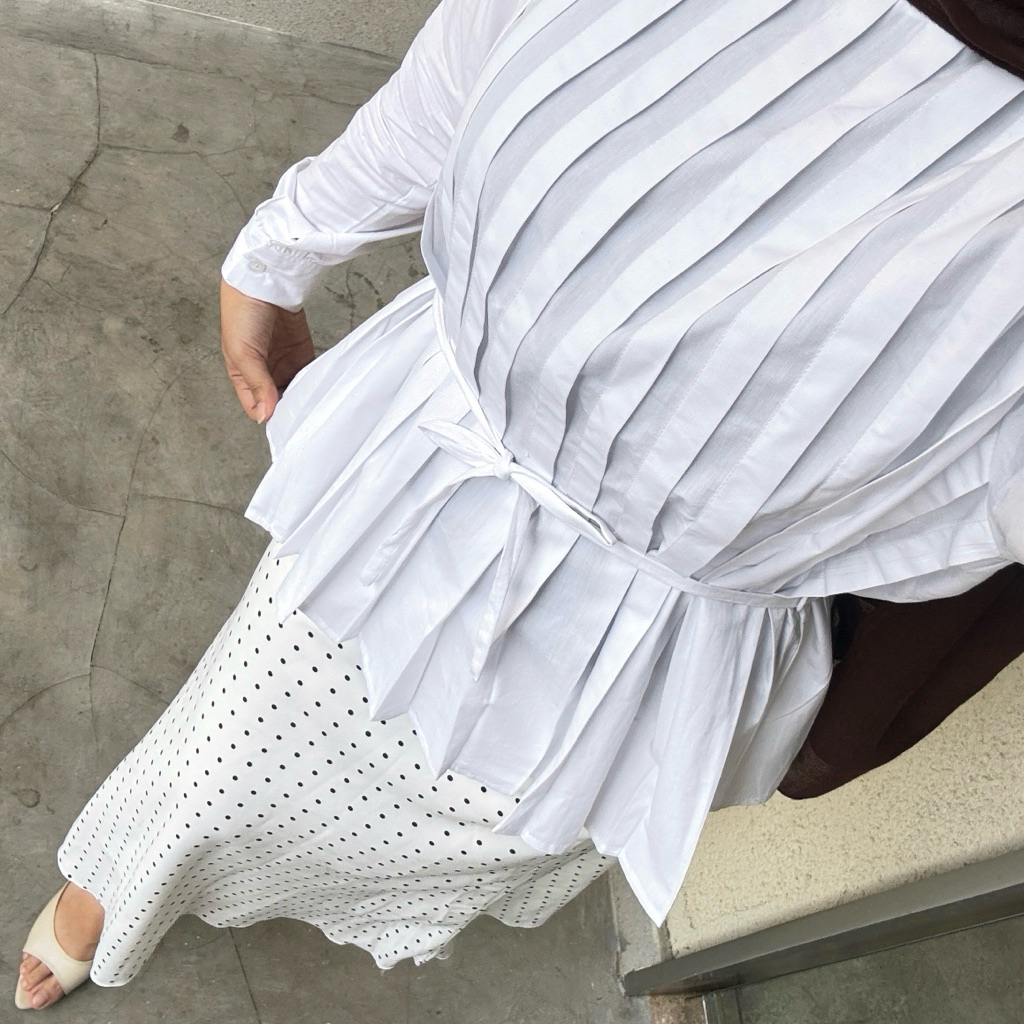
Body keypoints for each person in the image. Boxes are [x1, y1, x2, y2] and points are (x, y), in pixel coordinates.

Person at [16, 0, 1024, 1010]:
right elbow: (482, 42)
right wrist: (286, 240)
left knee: (491, 831)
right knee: (235, 744)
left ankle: (224, 873)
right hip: (430, 487)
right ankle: (120, 879)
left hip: (656, 655)